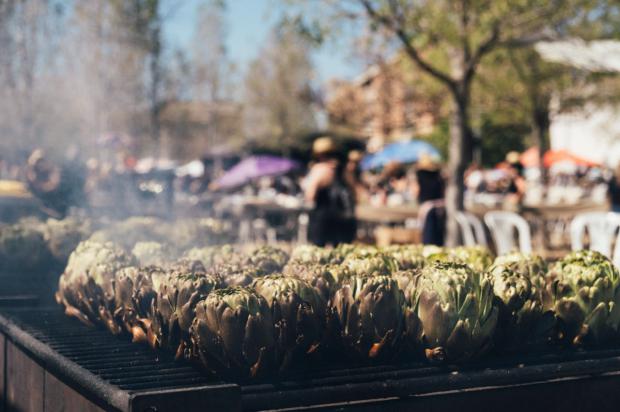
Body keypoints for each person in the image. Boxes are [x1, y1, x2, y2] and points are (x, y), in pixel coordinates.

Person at [303, 137, 356, 246]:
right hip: (342, 217)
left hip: (323, 215)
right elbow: (353, 191)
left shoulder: (319, 169)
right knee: (340, 251)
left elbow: (310, 193)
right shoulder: (343, 169)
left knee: (318, 250)